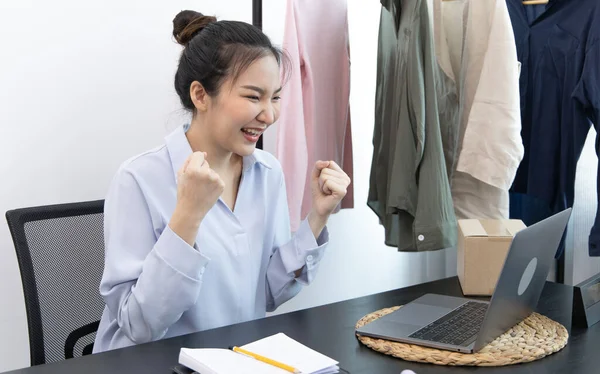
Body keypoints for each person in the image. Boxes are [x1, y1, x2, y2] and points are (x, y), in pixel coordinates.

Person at [93, 10, 351, 352]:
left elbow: (267, 294)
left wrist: (318, 217)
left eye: (274, 97)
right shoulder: (138, 179)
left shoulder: (268, 173)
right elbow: (139, 325)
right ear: (200, 96)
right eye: (252, 96)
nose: (269, 115)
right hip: (150, 362)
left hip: (234, 357)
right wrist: (188, 215)